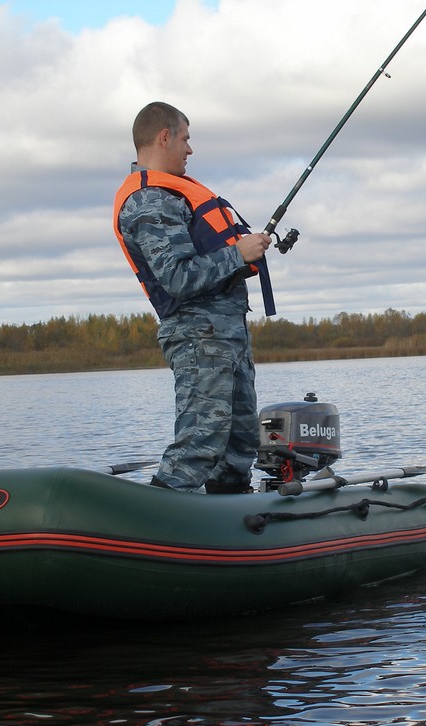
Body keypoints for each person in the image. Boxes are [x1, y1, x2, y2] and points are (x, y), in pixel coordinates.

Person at [112, 102, 271, 493]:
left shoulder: (173, 194)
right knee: (200, 442)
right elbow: (177, 277)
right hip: (199, 336)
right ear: (164, 137)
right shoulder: (150, 200)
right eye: (185, 139)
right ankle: (157, 513)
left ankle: (232, 510)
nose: (190, 149)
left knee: (240, 442)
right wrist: (238, 254)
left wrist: (242, 251)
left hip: (227, 334)